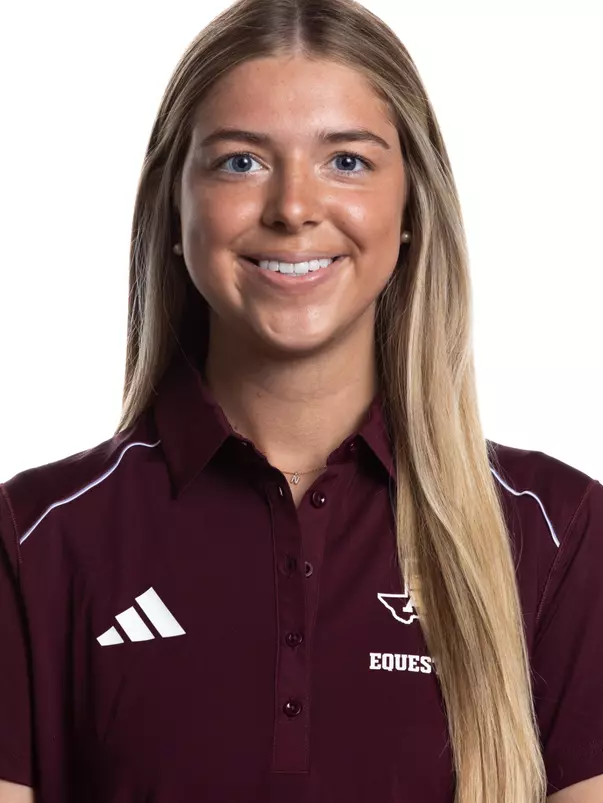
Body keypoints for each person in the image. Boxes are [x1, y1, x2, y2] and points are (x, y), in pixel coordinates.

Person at [0, 0, 602, 801]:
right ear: (175, 209)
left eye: (346, 160)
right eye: (240, 162)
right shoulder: (36, 539)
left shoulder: (557, 534)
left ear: (410, 207)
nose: (292, 207)